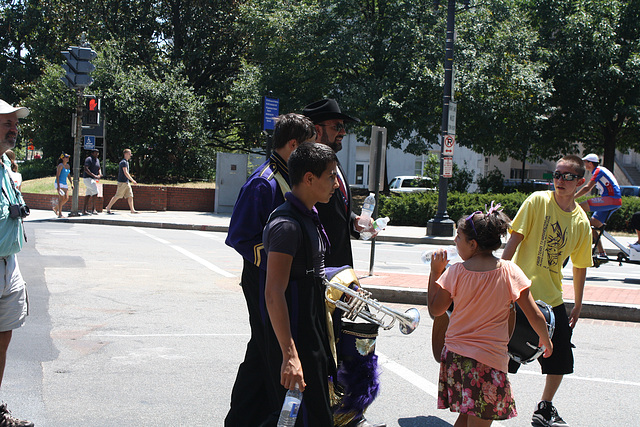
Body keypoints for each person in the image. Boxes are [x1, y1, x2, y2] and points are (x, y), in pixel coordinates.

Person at [224, 113, 316, 426]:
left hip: (279, 278)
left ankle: (245, 418)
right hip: (262, 277)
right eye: (307, 146)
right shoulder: (263, 182)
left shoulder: (287, 174)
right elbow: (239, 236)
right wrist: (281, 259)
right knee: (271, 348)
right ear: (293, 145)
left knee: (262, 350)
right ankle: (273, 417)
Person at [428, 204, 553, 427]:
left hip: (456, 359)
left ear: (473, 244)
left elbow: (435, 310)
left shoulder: (456, 272)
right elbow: (534, 314)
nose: (455, 242)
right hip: (488, 362)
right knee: (478, 419)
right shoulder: (510, 271)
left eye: (458, 237)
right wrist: (545, 340)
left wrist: (435, 272)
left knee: (466, 416)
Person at [303, 99, 384, 427]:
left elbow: (337, 211)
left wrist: (356, 222)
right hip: (323, 278)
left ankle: (344, 412)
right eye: (337, 126)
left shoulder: (332, 164)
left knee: (346, 345)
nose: (343, 132)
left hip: (341, 276)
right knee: (328, 351)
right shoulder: (309, 168)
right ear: (319, 128)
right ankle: (332, 414)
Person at [502, 154, 593, 427]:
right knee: (503, 353)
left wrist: (577, 303)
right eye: (556, 174)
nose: (560, 180)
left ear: (579, 181)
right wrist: (499, 279)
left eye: (567, 176)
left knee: (561, 356)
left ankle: (545, 407)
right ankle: (487, 399)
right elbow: (514, 240)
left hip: (552, 298)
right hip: (519, 292)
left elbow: (580, 266)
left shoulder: (581, 223)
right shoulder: (538, 201)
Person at [261, 141, 338, 426]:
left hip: (311, 326)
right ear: (309, 178)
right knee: (299, 417)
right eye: (331, 176)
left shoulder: (308, 216)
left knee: (315, 414)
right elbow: (273, 293)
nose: (336, 184)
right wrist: (290, 355)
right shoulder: (287, 224)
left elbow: (310, 272)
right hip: (296, 332)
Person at [0, 98, 34, 426]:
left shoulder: (4, 168)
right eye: (6, 123)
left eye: (15, 123)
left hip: (8, 263)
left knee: (3, 336)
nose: (14, 129)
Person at [576, 153, 622, 257]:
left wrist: (573, 197)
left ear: (591, 163)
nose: (584, 164)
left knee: (578, 206)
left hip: (611, 199)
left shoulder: (598, 171)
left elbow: (588, 188)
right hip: (612, 200)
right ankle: (602, 253)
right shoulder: (599, 170)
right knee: (591, 224)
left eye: (585, 162)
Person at [105, 148, 138, 214]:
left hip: (126, 182)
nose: (130, 155)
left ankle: (132, 210)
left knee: (130, 196)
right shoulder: (123, 162)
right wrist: (132, 180)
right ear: (125, 154)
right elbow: (125, 172)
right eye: (129, 154)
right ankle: (108, 207)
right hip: (122, 182)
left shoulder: (126, 162)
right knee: (117, 196)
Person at [82, 149, 102, 215]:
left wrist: (99, 174)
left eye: (98, 153)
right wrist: (94, 175)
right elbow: (86, 169)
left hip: (93, 179)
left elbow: (99, 168)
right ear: (92, 153)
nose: (97, 154)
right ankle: (93, 209)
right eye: (95, 153)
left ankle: (84, 210)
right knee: (95, 192)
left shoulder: (97, 160)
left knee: (88, 194)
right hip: (87, 178)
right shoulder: (89, 159)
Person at [54, 152, 72, 218]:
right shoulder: (60, 165)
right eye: (66, 157)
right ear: (63, 158)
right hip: (59, 183)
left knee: (66, 198)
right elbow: (57, 176)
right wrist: (58, 186)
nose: (67, 159)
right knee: (61, 198)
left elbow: (68, 175)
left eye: (68, 157)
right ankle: (60, 214)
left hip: (64, 183)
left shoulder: (68, 166)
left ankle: (56, 208)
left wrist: (71, 183)